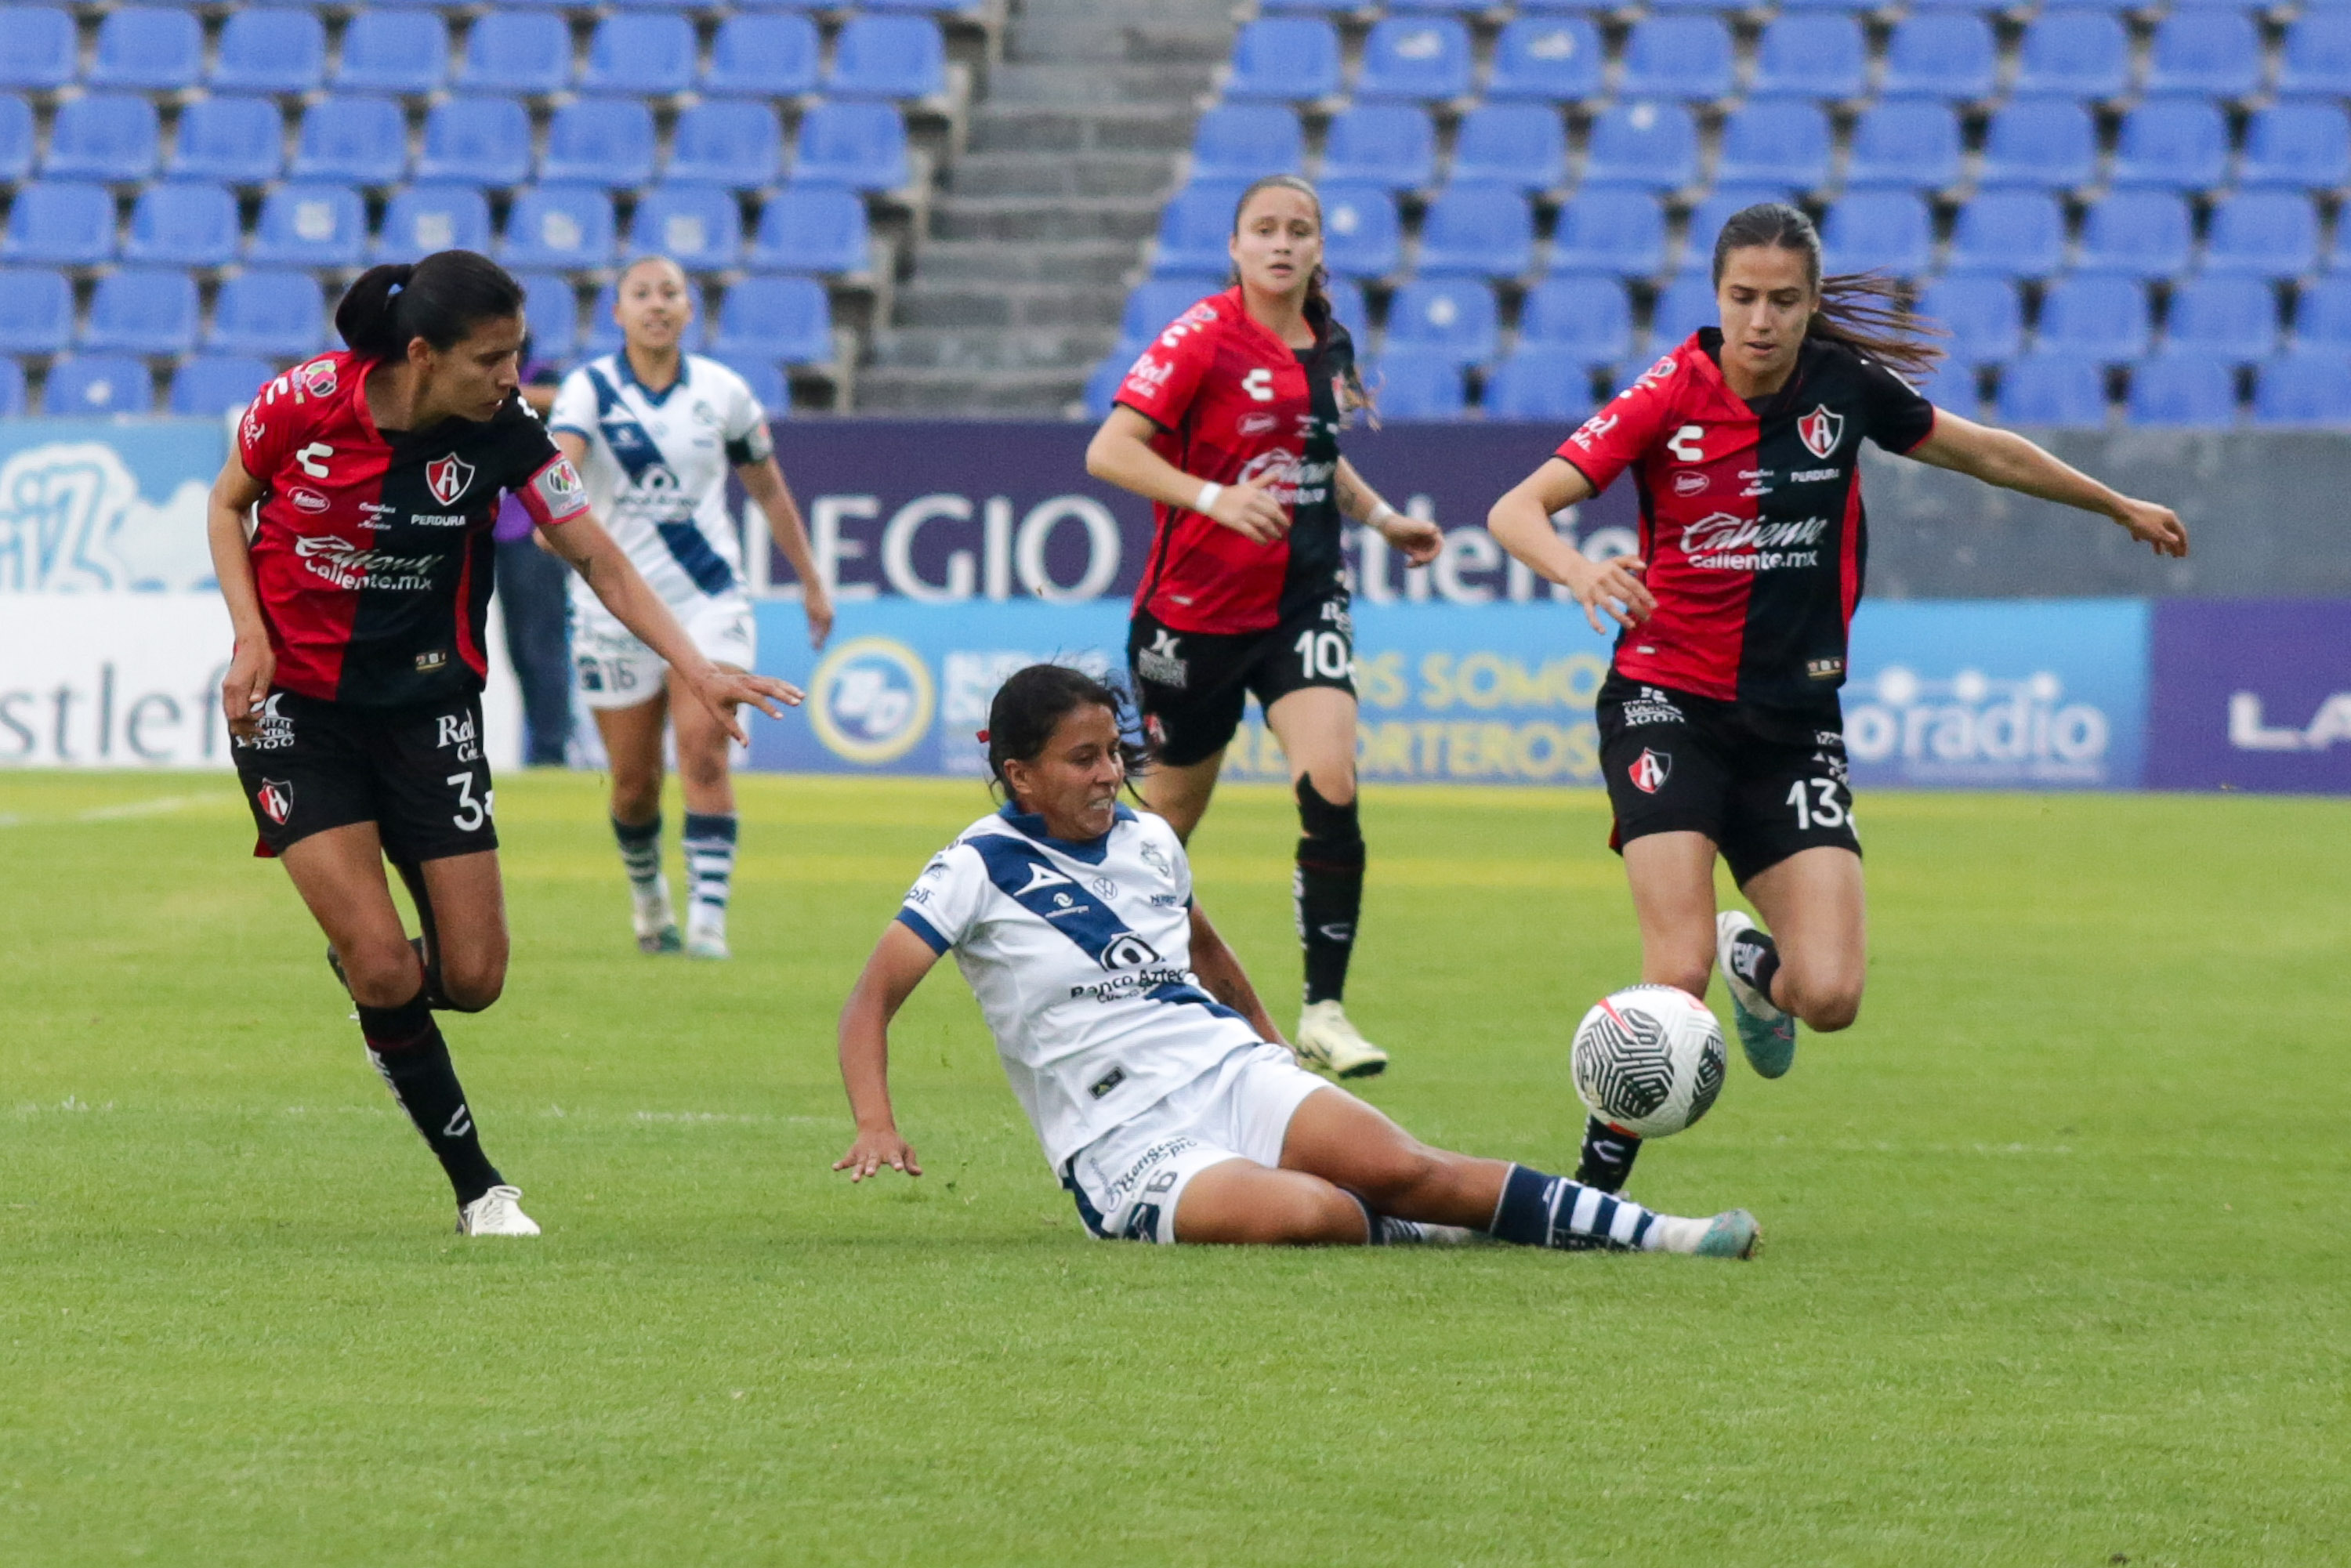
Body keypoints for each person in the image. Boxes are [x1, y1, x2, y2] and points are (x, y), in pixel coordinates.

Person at [1486, 202, 2190, 1193]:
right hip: (1666, 702)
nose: (1762, 320)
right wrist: (1574, 568)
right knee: (1672, 967)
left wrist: (2114, 501)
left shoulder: (1845, 389)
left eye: (1783, 300)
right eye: (1743, 298)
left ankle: (1757, 972)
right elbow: (1515, 509)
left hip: (1793, 723)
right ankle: (1598, 1190)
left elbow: (1981, 448)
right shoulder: (1666, 395)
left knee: (1830, 994)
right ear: (1715, 297)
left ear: (1813, 304)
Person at [208, 250, 802, 1235]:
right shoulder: (306, 400)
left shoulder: (510, 433)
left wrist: (695, 666)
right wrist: (250, 635)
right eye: (491, 359)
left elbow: (597, 557)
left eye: (518, 355)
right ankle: (480, 1189)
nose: (512, 379)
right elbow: (229, 504)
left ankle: (375, 985)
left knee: (474, 979)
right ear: (422, 354)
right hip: (296, 714)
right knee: (390, 971)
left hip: (427, 711)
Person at [834, 664, 1760, 1258]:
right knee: (1313, 1214)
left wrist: (1272, 1050)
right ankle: (1421, 1232)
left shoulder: (1147, 839)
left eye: (1115, 753)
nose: (1110, 775)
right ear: (1020, 773)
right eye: (1083, 760)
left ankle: (1670, 1236)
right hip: (1123, 1141)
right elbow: (871, 999)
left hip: (1228, 1071)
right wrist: (876, 1122)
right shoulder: (975, 866)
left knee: (1409, 1163)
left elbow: (1207, 955)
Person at [1083, 173, 1441, 1081]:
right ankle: (1107, 982)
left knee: (1331, 779)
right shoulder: (1201, 335)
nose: (1282, 245)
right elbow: (1110, 449)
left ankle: (1323, 1008)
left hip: (1303, 604)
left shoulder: (1330, 344)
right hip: (1191, 620)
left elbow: (1319, 461)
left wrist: (1384, 519)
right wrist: (1213, 497)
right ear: (1236, 247)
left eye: (1299, 231)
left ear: (1319, 248)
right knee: (1163, 828)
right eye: (1264, 230)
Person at [550, 255, 832, 960]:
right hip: (615, 606)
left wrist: (810, 579)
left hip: (709, 596)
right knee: (634, 781)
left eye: (669, 293)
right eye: (641, 294)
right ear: (616, 312)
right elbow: (559, 469)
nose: (656, 305)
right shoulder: (589, 390)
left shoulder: (724, 391)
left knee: (706, 749)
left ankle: (708, 925)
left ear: (689, 309)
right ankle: (650, 903)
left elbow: (768, 490)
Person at [492, 346, 573, 766]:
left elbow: (564, 400)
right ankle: (541, 744)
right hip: (491, 529)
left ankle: (553, 747)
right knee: (516, 648)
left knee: (543, 644)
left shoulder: (549, 377)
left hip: (535, 528)